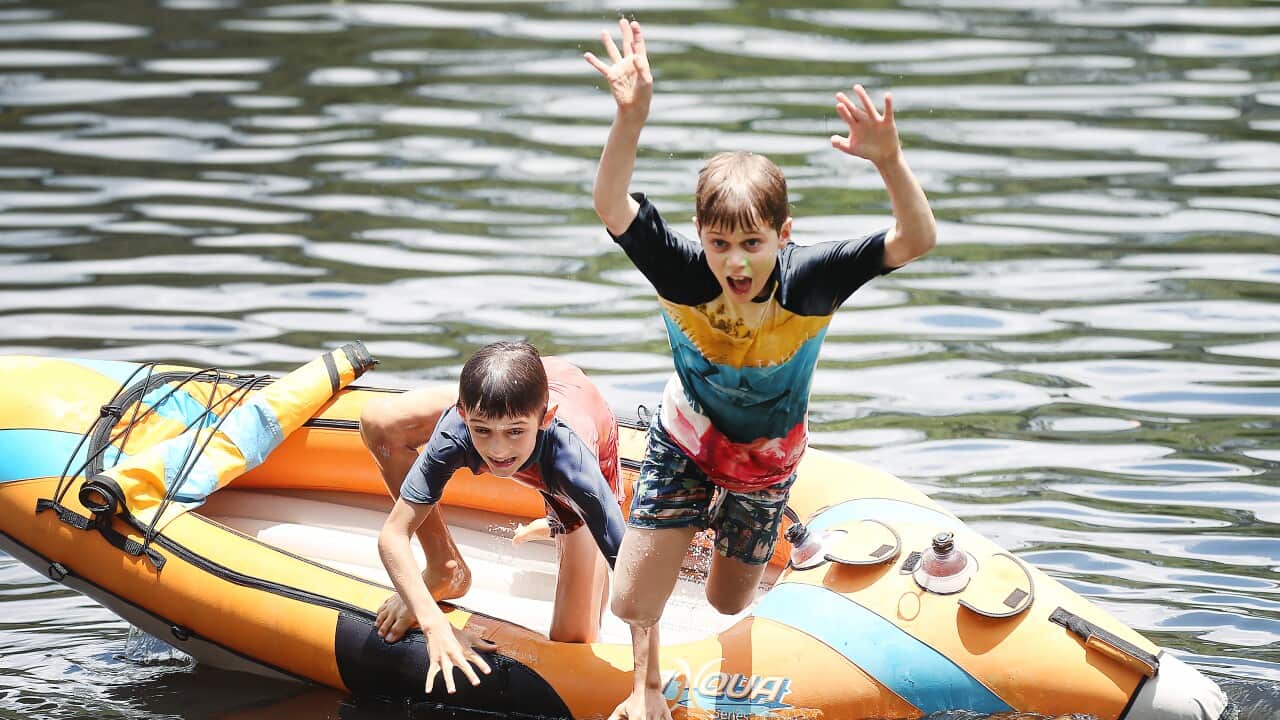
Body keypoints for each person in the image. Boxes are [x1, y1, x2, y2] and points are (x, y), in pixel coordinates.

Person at [585, 18, 938, 720]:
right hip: (686, 437)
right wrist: (631, 119)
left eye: (753, 242)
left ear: (784, 234)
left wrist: (890, 161)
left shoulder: (811, 278)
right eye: (719, 243)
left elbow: (917, 239)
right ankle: (645, 687)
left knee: (726, 600)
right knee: (630, 601)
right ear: (700, 235)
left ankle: (707, 523)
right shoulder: (683, 272)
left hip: (767, 457)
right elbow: (610, 204)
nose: (736, 261)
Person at [361, 341, 626, 694]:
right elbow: (392, 536)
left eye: (513, 433)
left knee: (572, 641)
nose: (497, 452)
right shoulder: (460, 429)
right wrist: (435, 625)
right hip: (516, 385)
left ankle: (559, 522)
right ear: (462, 414)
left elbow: (631, 574)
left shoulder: (574, 466)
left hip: (575, 417)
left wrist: (648, 686)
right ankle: (445, 569)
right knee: (380, 423)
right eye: (481, 430)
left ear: (545, 419)